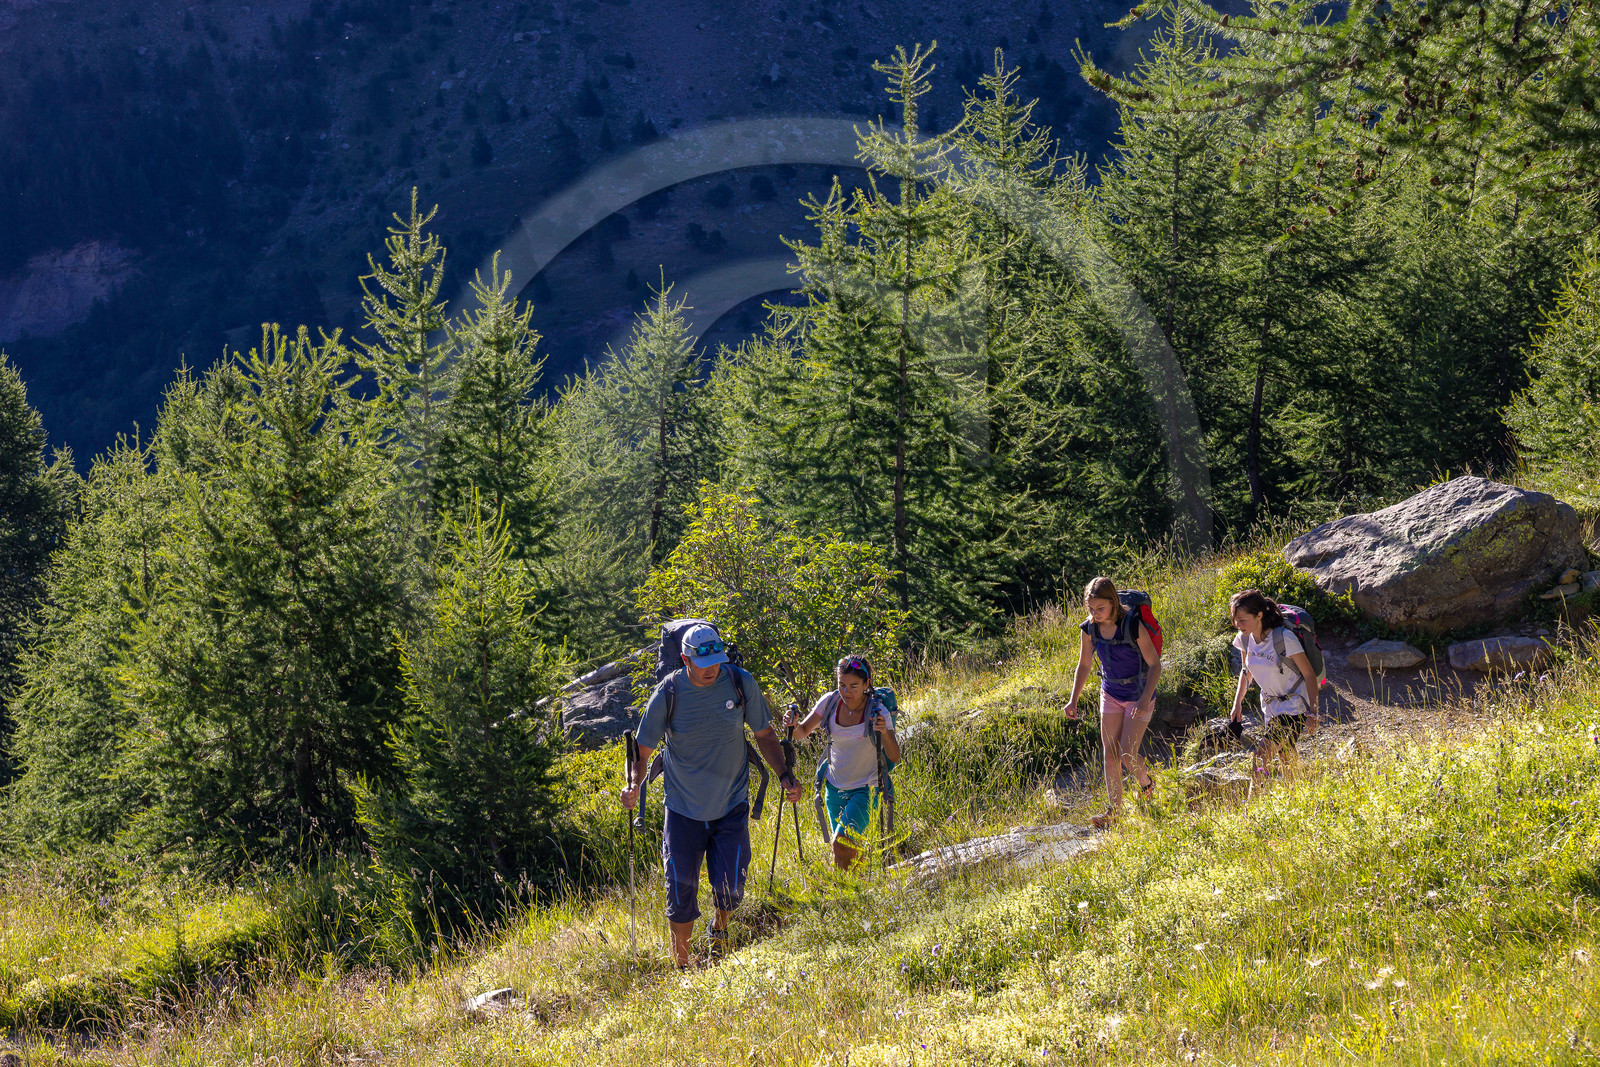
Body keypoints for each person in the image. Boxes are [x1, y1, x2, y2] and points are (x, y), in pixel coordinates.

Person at [619, 623, 802, 967]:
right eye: (704, 664)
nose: (712, 669)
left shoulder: (738, 681)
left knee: (732, 887)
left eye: (717, 661)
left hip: (731, 803)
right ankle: (682, 965)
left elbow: (764, 734)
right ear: (686, 660)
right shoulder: (668, 693)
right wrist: (632, 784)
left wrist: (784, 775)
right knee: (680, 892)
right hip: (683, 808)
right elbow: (641, 753)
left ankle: (718, 931)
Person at [783, 654, 900, 869]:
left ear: (867, 684)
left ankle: (846, 895)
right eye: (842, 685)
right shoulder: (830, 701)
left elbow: (895, 756)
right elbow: (801, 733)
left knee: (841, 843)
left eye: (854, 686)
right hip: (834, 789)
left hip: (866, 789)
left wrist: (884, 730)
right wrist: (793, 723)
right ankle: (860, 894)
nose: (846, 692)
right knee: (846, 851)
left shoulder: (877, 710)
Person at [1063, 577, 1161, 828]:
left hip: (1139, 694)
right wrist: (1073, 699)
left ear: (1114, 603)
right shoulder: (1089, 629)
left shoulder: (1132, 625)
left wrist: (1143, 698)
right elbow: (1084, 665)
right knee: (1110, 756)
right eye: (1091, 609)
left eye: (1100, 609)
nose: (1095, 614)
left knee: (1128, 755)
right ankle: (1114, 812)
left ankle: (1147, 783)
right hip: (1111, 694)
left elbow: (1154, 665)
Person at [1228, 589, 1320, 778]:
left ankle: (1251, 806)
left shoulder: (1284, 638)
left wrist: (1313, 712)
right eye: (1235, 619)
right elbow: (1246, 671)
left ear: (1259, 615)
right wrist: (1238, 702)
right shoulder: (1244, 639)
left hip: (1294, 705)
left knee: (1260, 758)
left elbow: (1309, 674)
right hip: (1271, 707)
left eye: (1242, 619)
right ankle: (1299, 794)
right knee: (1286, 757)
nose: (1237, 624)